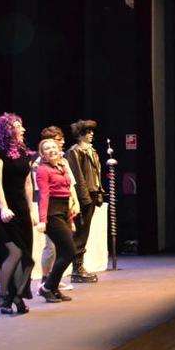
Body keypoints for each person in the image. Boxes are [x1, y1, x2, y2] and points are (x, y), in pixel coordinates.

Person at [0, 113, 37, 314]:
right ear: (8, 130)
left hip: (21, 209)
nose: (23, 129)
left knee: (26, 257)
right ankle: (5, 296)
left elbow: (27, 183)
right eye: (18, 126)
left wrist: (31, 208)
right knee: (14, 253)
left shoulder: (25, 153)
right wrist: (3, 207)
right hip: (4, 208)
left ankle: (18, 296)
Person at [35, 138, 81, 303]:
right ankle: (47, 287)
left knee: (64, 252)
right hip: (52, 213)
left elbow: (67, 190)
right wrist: (43, 220)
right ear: (42, 154)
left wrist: (72, 209)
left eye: (53, 147)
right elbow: (44, 195)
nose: (52, 150)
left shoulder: (62, 166)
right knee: (69, 252)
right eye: (47, 149)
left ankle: (53, 288)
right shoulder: (43, 170)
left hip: (63, 211)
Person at [65, 119, 102, 283]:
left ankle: (79, 267)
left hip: (92, 193)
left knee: (85, 231)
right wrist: (84, 199)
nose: (91, 134)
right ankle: (76, 269)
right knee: (80, 232)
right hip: (83, 196)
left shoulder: (91, 151)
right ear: (80, 134)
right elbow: (77, 178)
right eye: (88, 132)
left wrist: (99, 192)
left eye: (92, 131)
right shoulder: (75, 151)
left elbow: (96, 174)